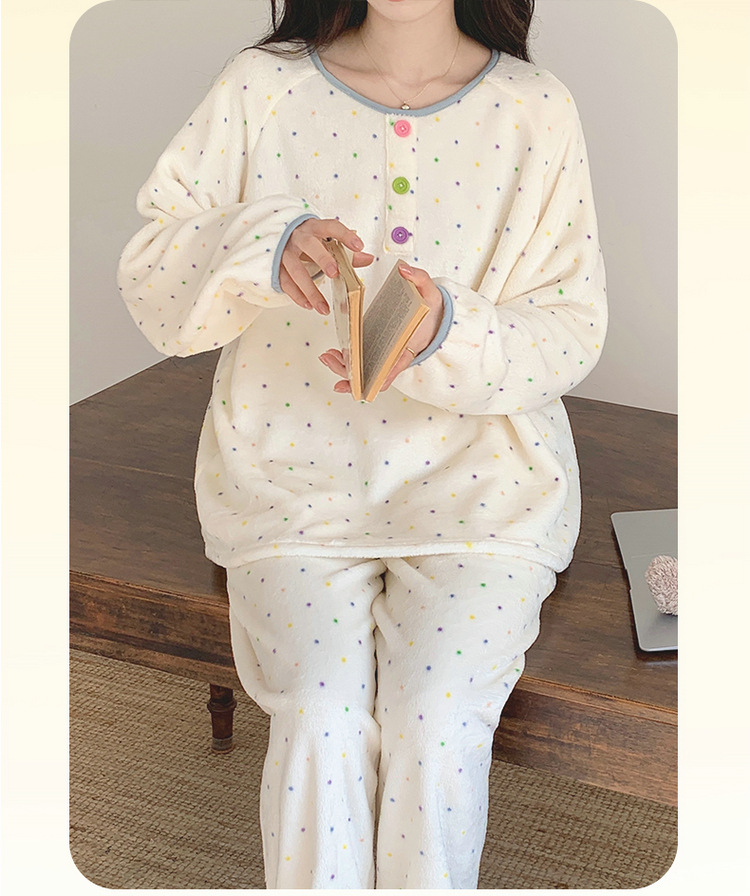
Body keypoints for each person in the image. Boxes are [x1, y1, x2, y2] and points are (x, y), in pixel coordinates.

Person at [116, 0, 607, 887]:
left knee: (437, 721)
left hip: (484, 491)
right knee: (320, 718)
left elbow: (570, 330)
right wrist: (263, 245)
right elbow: (154, 280)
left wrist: (447, 333)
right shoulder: (260, 88)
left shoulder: (536, 109)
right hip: (290, 487)